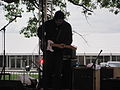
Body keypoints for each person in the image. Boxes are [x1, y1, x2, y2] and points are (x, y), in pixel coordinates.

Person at [37, 10, 73, 90]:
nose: (58, 22)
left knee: (58, 72)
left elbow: (70, 40)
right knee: (46, 71)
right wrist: (44, 40)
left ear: (63, 20)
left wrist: (64, 44)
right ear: (54, 19)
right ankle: (45, 87)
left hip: (59, 52)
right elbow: (39, 31)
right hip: (48, 51)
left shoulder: (67, 26)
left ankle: (56, 87)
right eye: (57, 21)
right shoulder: (48, 23)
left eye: (60, 21)